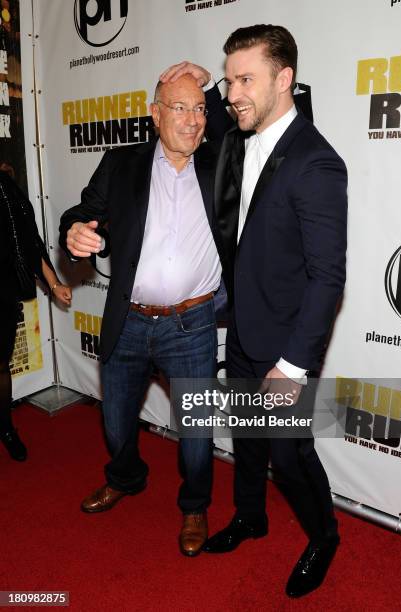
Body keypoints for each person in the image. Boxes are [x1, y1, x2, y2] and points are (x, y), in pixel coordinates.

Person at [161, 24, 347, 597]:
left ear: (285, 80)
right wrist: (201, 80)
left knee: (290, 459)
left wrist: (291, 368)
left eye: (246, 80)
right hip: (242, 327)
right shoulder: (243, 134)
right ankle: (251, 517)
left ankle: (324, 536)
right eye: (229, 79)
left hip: (286, 345)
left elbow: (327, 278)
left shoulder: (315, 162)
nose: (232, 92)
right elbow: (200, 115)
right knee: (246, 442)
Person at [59, 75, 226, 557]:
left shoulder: (220, 163)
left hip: (190, 324)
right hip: (127, 320)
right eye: (180, 108)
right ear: (155, 114)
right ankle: (127, 477)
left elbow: (246, 128)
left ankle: (194, 505)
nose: (193, 120)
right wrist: (74, 232)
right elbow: (82, 211)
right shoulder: (121, 163)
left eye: (199, 109)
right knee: (114, 423)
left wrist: (208, 84)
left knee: (195, 432)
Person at [0, 170, 72, 461]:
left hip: (1, 291)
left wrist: (53, 283)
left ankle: (5, 428)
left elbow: (28, 240)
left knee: (0, 367)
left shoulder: (4, 188)